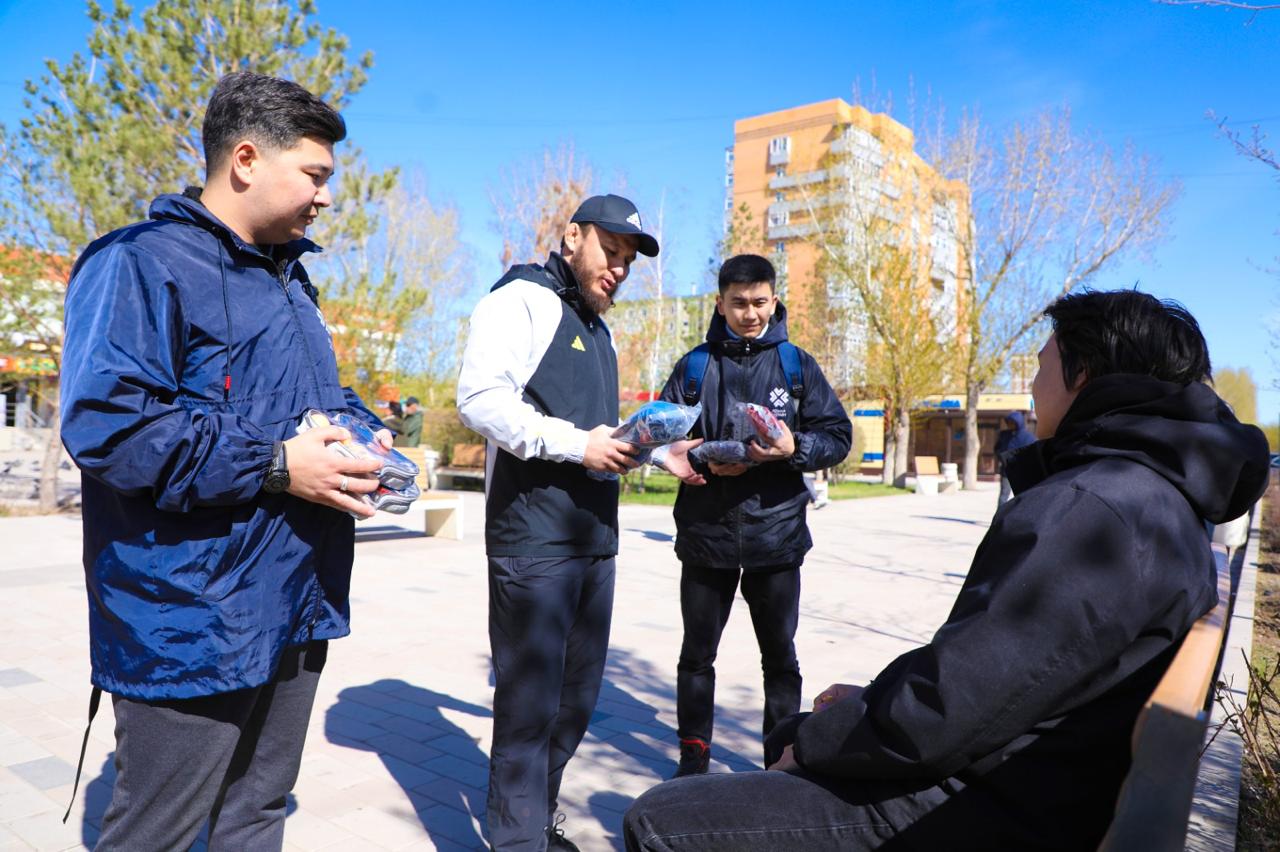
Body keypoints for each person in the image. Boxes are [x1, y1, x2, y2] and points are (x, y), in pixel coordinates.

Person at [623, 289, 1269, 851]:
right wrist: (866, 707)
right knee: (799, 738)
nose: (1036, 382)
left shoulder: (1097, 509)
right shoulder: (1156, 498)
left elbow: (944, 710)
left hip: (996, 806)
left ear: (1085, 375)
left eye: (1043, 365)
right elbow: (990, 676)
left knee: (662, 818)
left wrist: (819, 737)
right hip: (1042, 773)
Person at [60, 72, 391, 852]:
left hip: (294, 600)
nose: (327, 197)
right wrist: (278, 466)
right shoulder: (138, 263)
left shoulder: (289, 280)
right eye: (316, 174)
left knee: (258, 812)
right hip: (190, 621)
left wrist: (363, 436)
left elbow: (316, 400)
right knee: (158, 832)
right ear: (245, 159)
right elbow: (110, 424)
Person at [457, 194, 704, 851]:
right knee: (529, 710)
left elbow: (599, 437)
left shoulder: (597, 327)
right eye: (609, 251)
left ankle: (537, 820)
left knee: (576, 703)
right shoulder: (521, 300)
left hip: (594, 540)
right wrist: (579, 445)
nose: (619, 268)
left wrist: (655, 450)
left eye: (627, 260)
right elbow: (481, 399)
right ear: (571, 237)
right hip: (533, 541)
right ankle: (516, 843)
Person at [650, 253, 851, 777]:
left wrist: (792, 448)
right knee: (697, 656)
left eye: (759, 302)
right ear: (720, 303)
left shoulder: (797, 366)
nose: (750, 313)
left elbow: (837, 437)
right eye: (738, 303)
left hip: (776, 538)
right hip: (705, 537)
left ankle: (778, 761)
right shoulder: (694, 366)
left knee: (780, 660)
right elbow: (661, 439)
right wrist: (700, 457)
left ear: (774, 300)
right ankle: (693, 758)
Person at [993, 411, 1035, 503]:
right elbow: (997, 449)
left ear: (1018, 422)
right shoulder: (1004, 435)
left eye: (1012, 422)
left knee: (1022, 496)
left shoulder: (1028, 437)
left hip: (1022, 471)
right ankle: (1000, 517)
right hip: (1007, 470)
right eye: (1009, 422)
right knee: (1004, 495)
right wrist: (1002, 458)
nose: (1010, 425)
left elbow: (1033, 452)